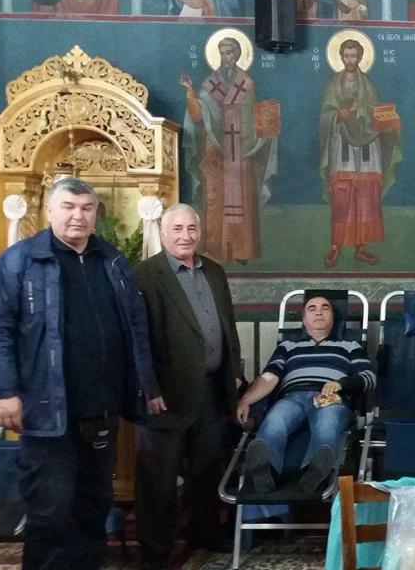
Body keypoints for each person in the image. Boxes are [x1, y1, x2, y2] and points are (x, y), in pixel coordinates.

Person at [0, 177, 158, 570]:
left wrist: (146, 386)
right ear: (49, 211)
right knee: (51, 511)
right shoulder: (20, 261)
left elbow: (135, 328)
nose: (78, 216)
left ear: (95, 214)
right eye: (69, 207)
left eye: (86, 208)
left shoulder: (112, 262)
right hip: (46, 410)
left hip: (101, 407)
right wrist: (2, 391)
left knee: (93, 506)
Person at [134, 204, 243, 568]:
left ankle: (204, 532)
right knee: (159, 480)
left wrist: (234, 372)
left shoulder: (214, 271)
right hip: (166, 396)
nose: (185, 236)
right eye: (177, 229)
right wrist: (149, 388)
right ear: (163, 233)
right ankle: (155, 552)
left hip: (211, 391)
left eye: (191, 228)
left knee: (206, 470)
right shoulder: (145, 275)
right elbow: (138, 339)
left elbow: (227, 326)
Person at [237, 293, 376, 494]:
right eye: (312, 308)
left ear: (333, 319)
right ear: (304, 320)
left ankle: (314, 472)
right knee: (275, 420)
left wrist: (341, 383)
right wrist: (245, 400)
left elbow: (369, 376)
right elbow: (269, 377)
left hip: (331, 399)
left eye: (325, 308)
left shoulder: (349, 346)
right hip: (292, 397)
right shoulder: (288, 347)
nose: (319, 312)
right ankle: (266, 472)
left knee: (327, 422)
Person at [180, 36, 278, 262]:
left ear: (238, 55)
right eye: (223, 53)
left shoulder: (247, 83)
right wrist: (190, 94)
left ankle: (242, 250)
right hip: (215, 151)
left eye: (231, 52)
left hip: (242, 148)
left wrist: (267, 122)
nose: (227, 57)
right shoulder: (209, 84)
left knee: (243, 198)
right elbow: (199, 117)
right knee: (215, 198)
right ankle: (217, 248)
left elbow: (253, 116)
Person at [319, 38, 402, 268]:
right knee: (341, 197)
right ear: (341, 57)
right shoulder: (333, 85)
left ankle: (361, 248)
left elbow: (376, 114)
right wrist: (339, 115)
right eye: (346, 56)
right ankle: (336, 246)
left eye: (354, 56)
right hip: (341, 147)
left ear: (360, 57)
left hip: (367, 148)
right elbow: (325, 117)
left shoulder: (369, 86)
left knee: (366, 197)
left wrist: (382, 120)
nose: (350, 60)